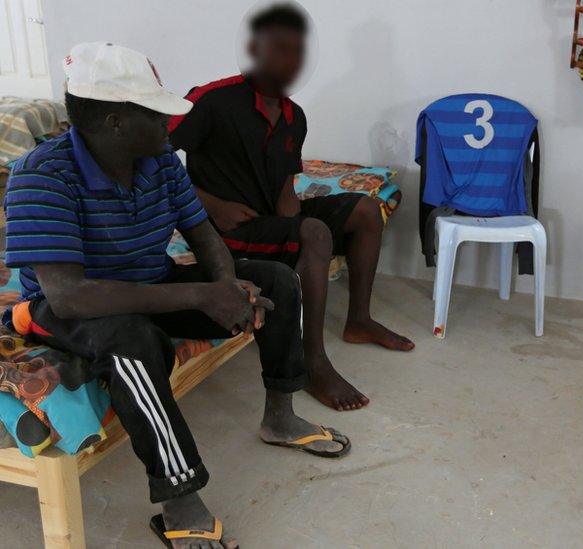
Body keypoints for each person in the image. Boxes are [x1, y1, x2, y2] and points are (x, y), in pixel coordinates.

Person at [4, 42, 350, 548]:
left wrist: (227, 287)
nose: (170, 123)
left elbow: (203, 233)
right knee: (131, 338)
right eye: (156, 113)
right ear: (116, 120)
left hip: (151, 282)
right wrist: (199, 296)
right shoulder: (42, 176)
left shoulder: (159, 158)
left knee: (274, 279)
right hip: (72, 308)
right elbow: (71, 296)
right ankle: (179, 494)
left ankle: (280, 415)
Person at [169, 3, 412, 412]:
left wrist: (296, 227)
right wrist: (210, 203)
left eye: (298, 52)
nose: (290, 60)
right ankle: (312, 362)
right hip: (222, 229)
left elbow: (285, 184)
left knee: (365, 210)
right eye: (280, 48)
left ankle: (358, 321)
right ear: (253, 49)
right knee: (313, 233)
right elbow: (155, 157)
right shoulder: (210, 99)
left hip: (266, 220)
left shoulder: (293, 116)